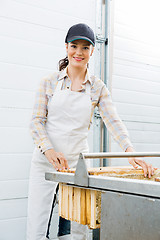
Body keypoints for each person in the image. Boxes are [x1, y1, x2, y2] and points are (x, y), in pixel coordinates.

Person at [27, 23, 155, 240]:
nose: (79, 52)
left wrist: (130, 151)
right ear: (66, 47)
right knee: (36, 228)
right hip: (44, 162)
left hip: (78, 165)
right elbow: (36, 123)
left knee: (78, 229)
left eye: (85, 48)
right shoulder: (48, 83)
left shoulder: (97, 87)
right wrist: (49, 151)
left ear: (92, 51)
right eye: (74, 46)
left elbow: (113, 121)